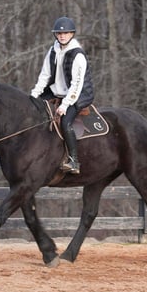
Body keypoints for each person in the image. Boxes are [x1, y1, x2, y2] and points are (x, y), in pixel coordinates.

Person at [30, 16, 94, 174]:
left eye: (66, 33)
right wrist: (34, 96)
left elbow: (76, 85)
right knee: (34, 113)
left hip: (77, 95)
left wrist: (65, 105)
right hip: (56, 92)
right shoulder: (53, 50)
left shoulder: (77, 55)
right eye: (59, 33)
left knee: (65, 122)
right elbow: (44, 75)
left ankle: (74, 161)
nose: (62, 36)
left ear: (72, 34)